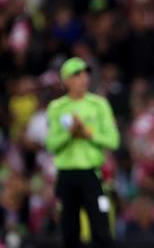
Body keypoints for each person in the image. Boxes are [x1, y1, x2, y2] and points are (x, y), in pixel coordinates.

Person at [46, 57, 120, 248]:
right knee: (69, 233)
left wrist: (88, 133)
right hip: (66, 176)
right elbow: (51, 144)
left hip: (92, 174)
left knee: (102, 231)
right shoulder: (57, 108)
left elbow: (113, 140)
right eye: (77, 74)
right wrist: (70, 134)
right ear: (66, 80)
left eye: (85, 73)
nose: (83, 78)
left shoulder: (99, 104)